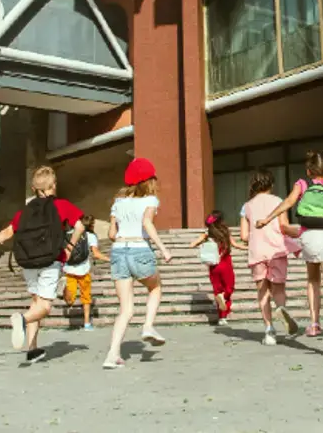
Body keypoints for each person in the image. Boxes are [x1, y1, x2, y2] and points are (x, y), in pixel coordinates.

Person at [0, 166, 84, 364]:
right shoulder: (61, 205)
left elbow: (7, 233)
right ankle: (22, 319)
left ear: (35, 188)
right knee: (44, 306)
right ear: (53, 185)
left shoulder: (24, 212)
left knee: (35, 303)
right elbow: (80, 226)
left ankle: (33, 349)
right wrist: (69, 247)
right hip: (50, 260)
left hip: (28, 263)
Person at [257, 149, 323, 356]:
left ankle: (314, 323)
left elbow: (288, 203)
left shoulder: (302, 185)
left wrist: (267, 219)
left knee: (313, 280)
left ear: (308, 171)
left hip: (309, 236)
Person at [103, 158, 174, 370]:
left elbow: (111, 233)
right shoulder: (150, 200)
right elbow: (146, 223)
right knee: (155, 287)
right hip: (139, 249)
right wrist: (164, 249)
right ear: (149, 180)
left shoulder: (118, 202)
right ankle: (148, 326)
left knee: (125, 309)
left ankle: (112, 355)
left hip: (118, 252)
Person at [240, 169, 301, 345]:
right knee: (278, 289)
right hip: (276, 250)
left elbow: (244, 236)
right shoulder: (279, 201)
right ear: (271, 184)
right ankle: (281, 308)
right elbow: (284, 226)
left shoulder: (246, 206)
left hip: (257, 252)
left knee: (263, 291)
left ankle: (269, 331)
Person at [189, 211, 247, 326]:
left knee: (218, 290)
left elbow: (192, 244)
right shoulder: (225, 231)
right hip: (225, 263)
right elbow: (236, 245)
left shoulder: (208, 233)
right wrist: (249, 247)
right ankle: (224, 309)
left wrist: (203, 239)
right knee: (228, 288)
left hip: (213, 265)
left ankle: (221, 317)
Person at [63, 215, 107, 331]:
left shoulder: (70, 233)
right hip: (83, 269)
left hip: (69, 269)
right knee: (86, 297)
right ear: (91, 224)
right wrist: (110, 259)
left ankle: (64, 289)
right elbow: (96, 254)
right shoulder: (91, 236)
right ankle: (87, 323)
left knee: (69, 300)